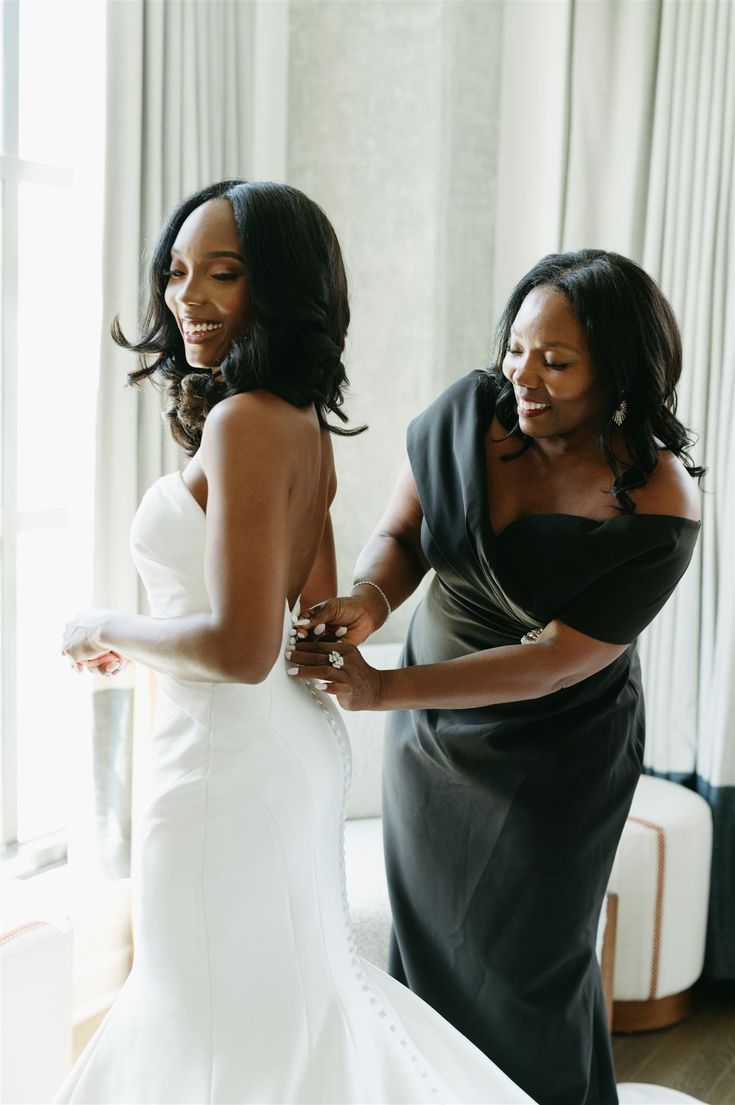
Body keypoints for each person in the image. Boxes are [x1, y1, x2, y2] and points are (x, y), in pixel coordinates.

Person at [58, 179, 537, 1104]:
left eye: (222, 275)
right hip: (282, 744)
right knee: (270, 1004)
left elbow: (240, 651)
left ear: (274, 288)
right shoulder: (296, 419)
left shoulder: (243, 421)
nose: (186, 297)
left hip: (221, 764)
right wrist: (166, 642)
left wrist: (102, 625)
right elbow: (304, 618)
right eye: (176, 272)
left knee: (209, 1013)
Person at [289, 250, 704, 1105]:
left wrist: (382, 690)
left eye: (556, 362)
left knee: (528, 974)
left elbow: (554, 662)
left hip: (557, 756)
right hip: (431, 744)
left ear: (620, 373)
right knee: (432, 957)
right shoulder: (468, 414)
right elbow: (402, 537)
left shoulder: (659, 499)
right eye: (518, 348)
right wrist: (368, 602)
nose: (524, 375)